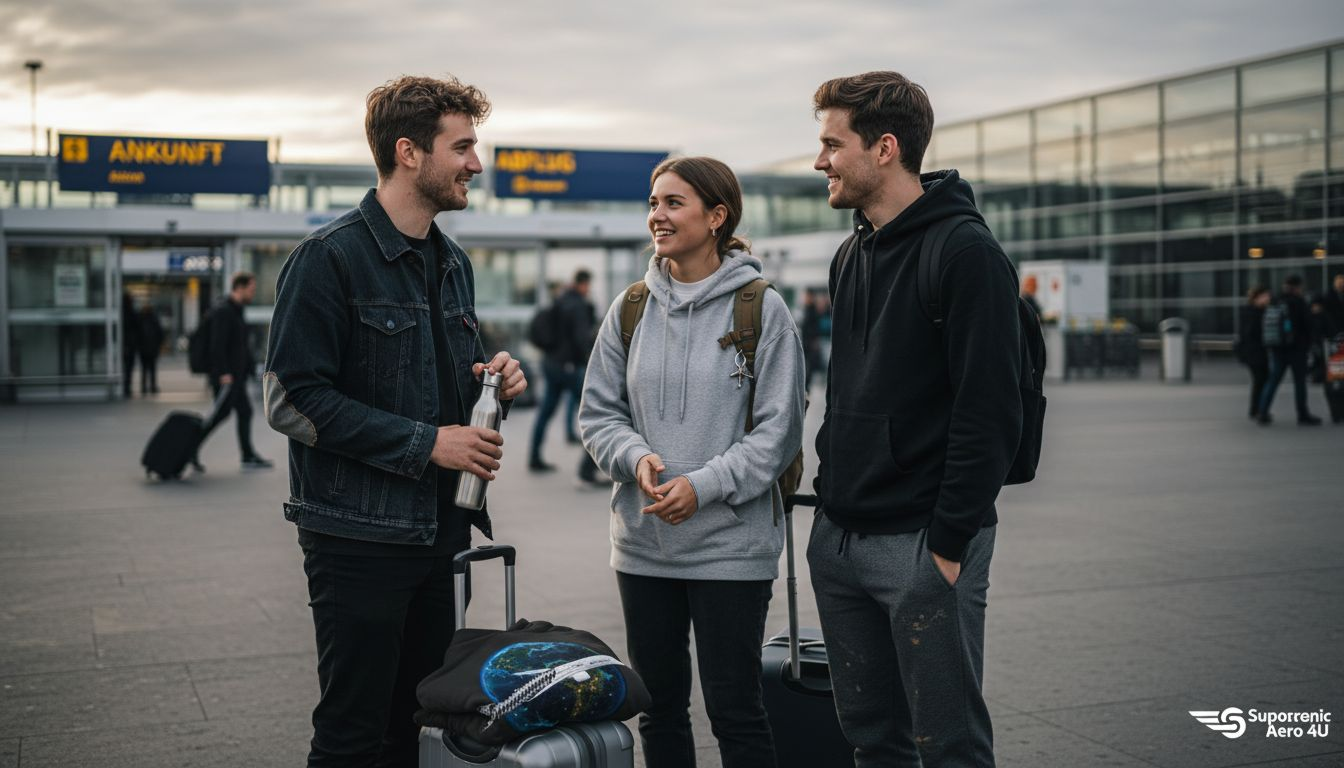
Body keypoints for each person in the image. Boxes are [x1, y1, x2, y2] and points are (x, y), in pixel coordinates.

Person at [263, 75, 526, 768]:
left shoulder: (452, 263)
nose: (476, 162)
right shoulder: (330, 258)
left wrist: (499, 384)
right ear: (409, 153)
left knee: (416, 725)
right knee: (353, 734)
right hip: (356, 541)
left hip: (437, 534)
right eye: (463, 146)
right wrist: (426, 444)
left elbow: (451, 386)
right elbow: (291, 400)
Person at [806, 72, 1023, 767]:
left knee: (949, 745)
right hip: (840, 539)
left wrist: (948, 547)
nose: (820, 161)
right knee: (873, 743)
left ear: (885, 148)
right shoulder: (851, 253)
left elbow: (991, 410)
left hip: (922, 546)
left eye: (832, 144)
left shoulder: (965, 253)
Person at [579, 156, 805, 768]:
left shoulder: (762, 309)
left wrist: (701, 486)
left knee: (736, 709)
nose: (657, 215)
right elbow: (597, 415)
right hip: (644, 544)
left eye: (673, 203)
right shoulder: (630, 308)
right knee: (659, 708)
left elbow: (778, 432)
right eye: (654, 203)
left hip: (731, 550)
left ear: (717, 216)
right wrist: (635, 459)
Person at [201, 272, 274, 468]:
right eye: (251, 289)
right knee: (219, 416)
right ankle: (189, 449)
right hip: (227, 377)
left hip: (237, 376)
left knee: (245, 412)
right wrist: (223, 373)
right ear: (239, 287)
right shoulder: (224, 311)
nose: (253, 293)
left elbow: (241, 345)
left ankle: (248, 455)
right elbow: (216, 345)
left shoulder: (237, 310)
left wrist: (250, 369)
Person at [528, 269, 596, 472]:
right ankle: (587, 471)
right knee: (594, 411)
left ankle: (534, 457)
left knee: (546, 411)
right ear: (583, 284)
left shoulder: (561, 299)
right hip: (568, 366)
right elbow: (580, 339)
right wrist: (589, 360)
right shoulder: (578, 305)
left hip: (551, 363)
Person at [1257, 274, 1322, 426]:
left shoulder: (1276, 300)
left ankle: (1262, 411)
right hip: (1297, 349)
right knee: (1300, 382)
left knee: (1273, 380)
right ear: (1298, 287)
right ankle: (1302, 414)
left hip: (1278, 348)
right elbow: (1308, 324)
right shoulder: (1299, 302)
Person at [1237, 286, 1271, 420]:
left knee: (1260, 380)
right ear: (1258, 297)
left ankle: (1256, 409)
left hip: (1254, 352)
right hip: (1255, 352)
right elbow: (1251, 333)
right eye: (1266, 296)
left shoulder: (1254, 311)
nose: (1268, 298)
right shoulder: (1254, 312)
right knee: (1260, 380)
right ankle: (1256, 409)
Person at [137, 304, 164, 395]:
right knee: (152, 369)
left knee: (145, 369)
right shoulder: (154, 319)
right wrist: (158, 344)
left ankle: (144, 387)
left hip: (144, 349)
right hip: (152, 349)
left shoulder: (140, 319)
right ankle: (152, 387)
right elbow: (160, 333)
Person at [121, 291, 139, 398]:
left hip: (127, 344)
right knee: (128, 368)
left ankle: (125, 386)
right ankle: (127, 386)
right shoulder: (130, 313)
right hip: (130, 344)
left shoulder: (121, 312)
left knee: (126, 367)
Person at [1323, 273, 1344, 338]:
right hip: (1334, 325)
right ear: (1335, 284)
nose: (1341, 285)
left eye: (1342, 283)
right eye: (1339, 283)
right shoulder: (1329, 295)